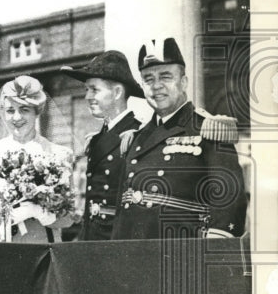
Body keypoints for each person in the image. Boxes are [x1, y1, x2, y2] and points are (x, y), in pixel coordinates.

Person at [110, 37, 246, 240]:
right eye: (148, 79)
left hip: (183, 254)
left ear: (184, 82)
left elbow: (229, 202)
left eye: (165, 77)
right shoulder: (135, 138)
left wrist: (213, 249)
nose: (156, 86)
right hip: (133, 254)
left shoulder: (209, 129)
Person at [0, 75, 76, 242]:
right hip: (0, 247)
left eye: (24, 109)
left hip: (43, 247)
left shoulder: (59, 155)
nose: (16, 118)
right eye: (10, 110)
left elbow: (69, 217)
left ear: (36, 112)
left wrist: (39, 212)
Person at [60, 50, 143, 241]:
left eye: (94, 90)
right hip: (93, 237)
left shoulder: (139, 135)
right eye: (86, 90)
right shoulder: (97, 139)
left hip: (120, 240)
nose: (87, 97)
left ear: (117, 93)